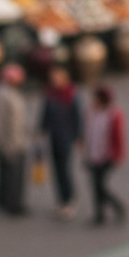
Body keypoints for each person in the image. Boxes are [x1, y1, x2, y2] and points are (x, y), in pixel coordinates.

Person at [39, 64, 82, 220]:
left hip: (66, 138)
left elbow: (77, 118)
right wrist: (41, 130)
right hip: (54, 137)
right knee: (56, 170)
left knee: (64, 170)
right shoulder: (50, 95)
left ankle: (69, 200)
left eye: (57, 77)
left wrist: (78, 137)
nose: (54, 80)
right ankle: (61, 200)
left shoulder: (71, 95)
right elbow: (44, 114)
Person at [82, 85, 126, 224]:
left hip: (106, 156)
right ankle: (99, 214)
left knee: (100, 185)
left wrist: (118, 155)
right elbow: (87, 132)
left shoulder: (114, 115)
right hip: (92, 154)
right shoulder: (90, 112)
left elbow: (118, 136)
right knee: (95, 185)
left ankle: (117, 205)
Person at [0, 63, 28, 215]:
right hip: (12, 142)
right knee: (14, 175)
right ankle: (14, 205)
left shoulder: (5, 92)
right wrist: (6, 144)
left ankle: (2, 199)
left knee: (5, 173)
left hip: (10, 140)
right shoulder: (5, 96)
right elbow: (1, 122)